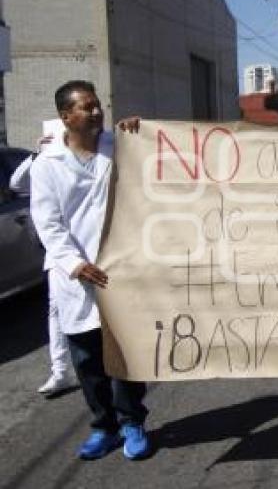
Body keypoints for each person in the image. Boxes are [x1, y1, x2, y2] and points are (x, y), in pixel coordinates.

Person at [29, 80, 150, 460]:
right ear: (66, 117)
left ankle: (133, 423)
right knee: (88, 361)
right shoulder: (46, 165)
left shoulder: (120, 147)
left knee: (125, 355)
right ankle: (105, 427)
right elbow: (47, 223)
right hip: (77, 275)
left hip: (120, 270)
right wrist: (75, 264)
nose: (97, 112)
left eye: (98, 105)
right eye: (87, 107)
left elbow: (160, 163)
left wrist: (141, 133)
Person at [9, 135, 79, 396]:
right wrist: (37, 154)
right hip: (58, 251)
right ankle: (61, 370)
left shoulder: (85, 158)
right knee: (56, 309)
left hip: (90, 247)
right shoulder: (45, 162)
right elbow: (16, 184)